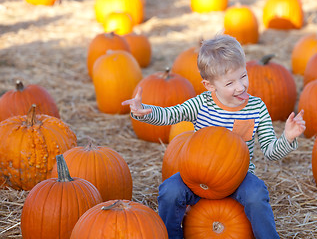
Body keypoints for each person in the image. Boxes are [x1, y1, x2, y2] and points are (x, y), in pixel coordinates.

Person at [122, 34, 306, 239]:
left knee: (256, 194)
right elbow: (170, 114)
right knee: (170, 191)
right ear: (210, 85)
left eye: (243, 76)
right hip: (198, 176)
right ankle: (171, 235)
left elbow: (270, 152)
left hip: (238, 178)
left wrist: (288, 137)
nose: (240, 86)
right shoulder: (201, 104)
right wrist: (143, 110)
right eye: (229, 83)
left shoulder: (257, 108)